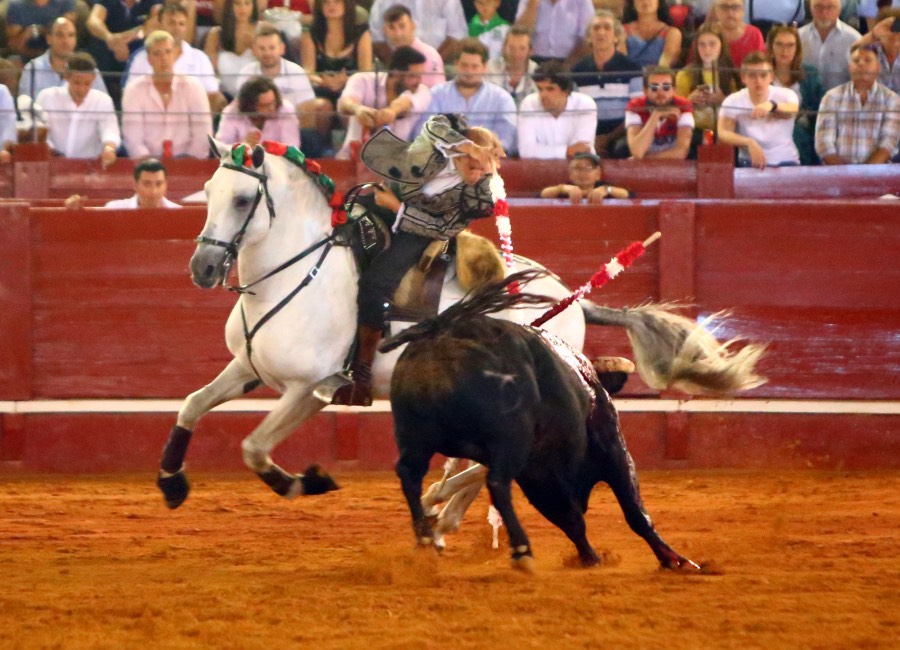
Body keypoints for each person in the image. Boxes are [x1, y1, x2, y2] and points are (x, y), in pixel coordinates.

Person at [327, 114, 502, 406]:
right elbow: (434, 124)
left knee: (375, 285)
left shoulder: (485, 194)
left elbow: (442, 229)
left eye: (487, 167)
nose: (479, 173)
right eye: (474, 165)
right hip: (384, 201)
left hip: (416, 231)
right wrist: (470, 147)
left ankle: (362, 376)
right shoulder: (438, 151)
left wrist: (396, 207)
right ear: (458, 153)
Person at [416, 38, 518, 154]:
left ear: (484, 67)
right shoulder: (436, 94)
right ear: (456, 64)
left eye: (474, 66)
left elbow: (506, 141)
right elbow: (423, 134)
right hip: (444, 163)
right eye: (464, 65)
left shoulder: (501, 99)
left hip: (486, 162)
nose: (469, 71)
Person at [121, 30, 213, 159]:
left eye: (168, 52)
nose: (163, 58)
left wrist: (191, 163)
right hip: (147, 164)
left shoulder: (194, 87)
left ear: (175, 54)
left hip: (188, 162)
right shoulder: (134, 90)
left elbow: (202, 133)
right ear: (149, 59)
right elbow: (133, 138)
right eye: (157, 54)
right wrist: (148, 164)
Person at [125, 2, 226, 113]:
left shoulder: (200, 58)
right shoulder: (141, 58)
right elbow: (129, 95)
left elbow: (213, 97)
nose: (177, 28)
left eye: (181, 24)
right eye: (171, 23)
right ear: (160, 25)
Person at [335, 45, 431, 158]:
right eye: (414, 76)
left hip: (392, 166)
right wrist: (358, 109)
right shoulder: (361, 79)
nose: (420, 81)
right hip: (351, 160)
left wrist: (391, 112)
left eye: (421, 75)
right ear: (396, 73)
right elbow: (344, 103)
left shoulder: (422, 91)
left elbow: (405, 103)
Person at [570, 11, 643, 158]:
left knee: (623, 149)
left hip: (622, 132)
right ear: (589, 37)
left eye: (607, 28)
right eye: (596, 28)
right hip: (588, 133)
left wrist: (609, 138)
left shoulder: (632, 68)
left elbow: (638, 110)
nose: (601, 32)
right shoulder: (577, 71)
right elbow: (574, 113)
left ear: (616, 36)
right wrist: (591, 140)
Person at [815, 43, 900, 164]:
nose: (861, 64)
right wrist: (846, 177)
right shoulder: (831, 97)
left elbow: (888, 144)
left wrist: (863, 176)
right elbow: (824, 144)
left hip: (878, 175)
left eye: (867, 60)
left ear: (878, 67)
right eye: (856, 60)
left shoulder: (892, 99)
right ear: (849, 67)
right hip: (836, 174)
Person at [34, 52, 121, 165]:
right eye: (77, 83)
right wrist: (51, 150)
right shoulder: (46, 97)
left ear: (94, 78)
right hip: (52, 163)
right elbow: (39, 132)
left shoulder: (103, 101)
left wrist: (109, 149)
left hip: (89, 168)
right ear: (67, 76)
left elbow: (110, 130)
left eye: (87, 84)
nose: (81, 89)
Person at [718, 51, 800, 168]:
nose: (758, 81)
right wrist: (748, 142)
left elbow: (792, 111)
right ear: (743, 78)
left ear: (771, 76)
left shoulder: (786, 95)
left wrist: (772, 105)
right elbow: (723, 133)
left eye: (763, 75)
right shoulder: (732, 100)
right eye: (752, 76)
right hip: (749, 162)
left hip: (786, 161)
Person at [767, 25, 825, 165]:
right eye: (779, 44)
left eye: (790, 45)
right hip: (769, 134)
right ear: (770, 47)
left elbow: (819, 113)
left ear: (797, 48)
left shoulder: (810, 74)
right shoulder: (762, 73)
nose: (784, 50)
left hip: (803, 137)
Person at [86, 0, 164, 103]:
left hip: (139, 55)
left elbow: (158, 22)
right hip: (108, 55)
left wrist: (120, 39)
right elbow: (93, 21)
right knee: (97, 46)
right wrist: (109, 38)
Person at [517, 60, 598, 159]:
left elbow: (582, 150)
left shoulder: (585, 104)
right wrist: (566, 151)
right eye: (540, 89)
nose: (543, 95)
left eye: (550, 89)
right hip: (540, 169)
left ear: (566, 91)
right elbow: (526, 151)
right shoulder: (529, 104)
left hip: (578, 169)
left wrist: (543, 151)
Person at [675, 22, 740, 140]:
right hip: (695, 132)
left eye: (712, 44)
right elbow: (675, 112)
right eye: (702, 45)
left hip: (725, 132)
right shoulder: (685, 75)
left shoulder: (732, 75)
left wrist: (722, 100)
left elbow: (740, 111)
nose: (707, 49)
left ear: (722, 45)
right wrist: (689, 101)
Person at [19, 17, 109, 100]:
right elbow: (26, 108)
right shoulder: (32, 69)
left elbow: (103, 105)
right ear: (49, 39)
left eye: (71, 35)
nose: (66, 41)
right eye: (60, 35)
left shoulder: (89, 69)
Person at [625, 65, 694, 159]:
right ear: (645, 91)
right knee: (620, 148)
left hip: (672, 162)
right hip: (653, 156)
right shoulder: (635, 106)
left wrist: (645, 159)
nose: (661, 93)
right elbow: (637, 151)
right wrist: (656, 115)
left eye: (666, 87)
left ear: (674, 90)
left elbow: (681, 152)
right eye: (654, 87)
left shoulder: (683, 105)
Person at [215, 75, 301, 147]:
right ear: (250, 106)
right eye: (265, 105)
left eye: (273, 102)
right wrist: (243, 146)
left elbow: (292, 148)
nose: (272, 108)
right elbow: (221, 148)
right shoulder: (232, 112)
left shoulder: (286, 110)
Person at [369, 0, 468, 62]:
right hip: (394, 66)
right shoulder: (382, 2)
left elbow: (456, 37)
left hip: (441, 65)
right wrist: (398, 68)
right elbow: (377, 40)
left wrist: (431, 65)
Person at [66, 158, 182, 209]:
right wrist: (75, 212)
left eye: (158, 184)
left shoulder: (179, 213)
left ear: (166, 185)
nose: (153, 191)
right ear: (135, 185)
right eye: (147, 184)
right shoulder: (114, 209)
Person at [375, 4, 445, 87]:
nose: (398, 33)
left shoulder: (430, 55)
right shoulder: (391, 56)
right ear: (385, 30)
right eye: (391, 27)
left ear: (413, 26)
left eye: (402, 26)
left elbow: (437, 93)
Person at [799, 0, 862, 91]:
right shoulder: (799, 37)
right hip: (804, 101)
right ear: (810, 8)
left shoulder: (854, 39)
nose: (824, 12)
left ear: (839, 9)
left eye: (830, 7)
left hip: (840, 101)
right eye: (818, 7)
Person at [205, 0, 260, 97]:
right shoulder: (216, 34)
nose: (242, 8)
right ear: (229, 6)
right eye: (237, 3)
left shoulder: (262, 30)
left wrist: (255, 47)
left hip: (257, 94)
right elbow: (207, 72)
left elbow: (271, 64)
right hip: (223, 95)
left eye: (247, 3)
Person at [514, 0, 594, 66]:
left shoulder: (582, 2)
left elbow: (588, 39)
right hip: (533, 62)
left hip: (571, 62)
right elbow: (519, 33)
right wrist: (532, 5)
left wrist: (567, 67)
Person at [539, 151, 631, 203]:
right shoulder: (566, 189)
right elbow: (542, 195)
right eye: (578, 168)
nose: (583, 173)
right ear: (571, 174)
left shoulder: (604, 187)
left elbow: (627, 195)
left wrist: (607, 190)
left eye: (588, 168)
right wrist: (561, 188)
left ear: (598, 173)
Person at [5, 0, 77, 61]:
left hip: (60, 57)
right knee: (13, 62)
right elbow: (14, 45)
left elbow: (67, 36)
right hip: (26, 57)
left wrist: (38, 30)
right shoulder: (16, 6)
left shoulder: (66, 2)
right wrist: (27, 34)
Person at [485, 25, 538, 106]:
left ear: (530, 51)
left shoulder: (537, 72)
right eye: (511, 48)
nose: (516, 53)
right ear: (503, 48)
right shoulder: (489, 68)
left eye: (522, 48)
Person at [622, 0, 682, 67]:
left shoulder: (672, 33)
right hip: (628, 76)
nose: (645, 1)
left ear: (659, 2)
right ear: (632, 3)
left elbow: (665, 66)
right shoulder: (622, 31)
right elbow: (621, 63)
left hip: (659, 76)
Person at [853, 10, 900, 94]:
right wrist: (872, 34)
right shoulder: (869, 51)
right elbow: (847, 56)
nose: (895, 35)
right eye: (889, 31)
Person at [710, 0, 764, 68]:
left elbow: (761, 66)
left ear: (743, 10)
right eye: (724, 7)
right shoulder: (706, 33)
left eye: (735, 7)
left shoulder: (754, 34)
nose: (730, 12)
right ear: (716, 10)